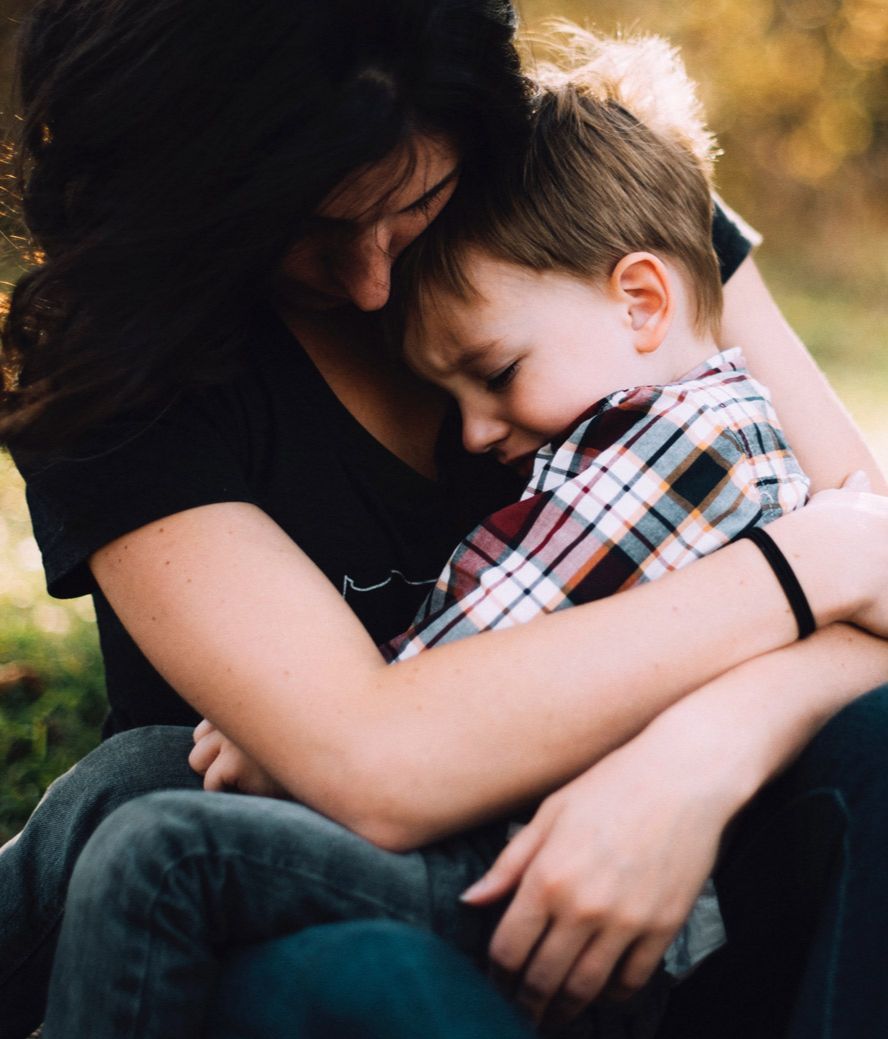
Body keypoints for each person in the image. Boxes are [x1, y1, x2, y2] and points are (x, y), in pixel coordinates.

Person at [1, 2, 887, 1037]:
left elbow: (873, 568)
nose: (376, 281)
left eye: (416, 200)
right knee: (356, 974)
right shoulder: (114, 363)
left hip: (665, 879)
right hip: (317, 901)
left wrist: (696, 756)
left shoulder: (580, 203)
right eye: (312, 230)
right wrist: (806, 567)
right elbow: (372, 760)